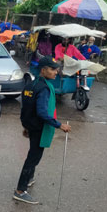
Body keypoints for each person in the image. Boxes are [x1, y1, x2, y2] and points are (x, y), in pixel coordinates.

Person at [14, 56, 72, 204]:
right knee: (33, 157)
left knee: (33, 153)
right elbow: (42, 112)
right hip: (39, 127)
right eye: (52, 69)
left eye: (56, 69)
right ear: (43, 70)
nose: (55, 72)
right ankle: (20, 190)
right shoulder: (44, 88)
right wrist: (59, 125)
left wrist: (26, 126)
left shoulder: (30, 85)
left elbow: (25, 108)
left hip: (31, 125)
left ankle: (29, 178)